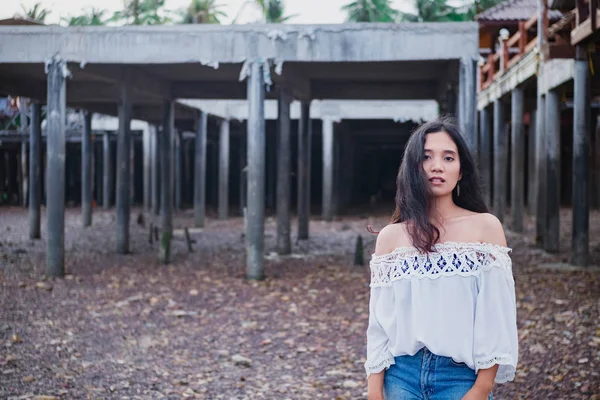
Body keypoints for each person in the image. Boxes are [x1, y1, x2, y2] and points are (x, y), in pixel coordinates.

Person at [365, 116, 518, 400]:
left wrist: (481, 388)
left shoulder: (485, 228)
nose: (437, 166)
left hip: (461, 377)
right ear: (413, 168)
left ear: (461, 171)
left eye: (449, 158)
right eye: (426, 157)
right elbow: (380, 325)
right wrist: (375, 392)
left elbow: (496, 316)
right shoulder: (390, 237)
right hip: (400, 376)